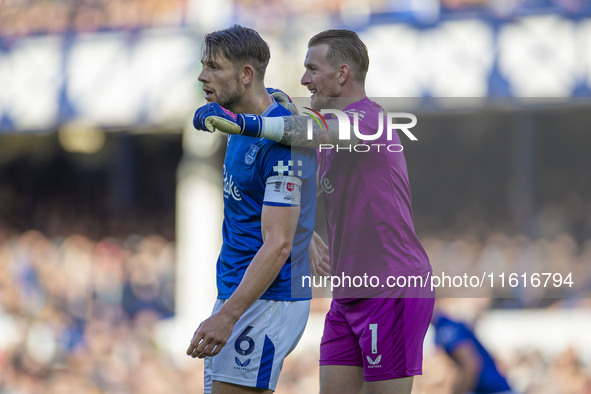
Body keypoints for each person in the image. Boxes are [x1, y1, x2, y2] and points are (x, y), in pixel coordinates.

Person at [194, 29, 434, 394]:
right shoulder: (321, 134)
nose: (305, 79)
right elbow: (300, 138)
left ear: (342, 74)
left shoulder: (371, 120)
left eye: (312, 69)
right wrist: (307, 234)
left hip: (392, 287)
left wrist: (248, 122)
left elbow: (311, 130)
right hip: (348, 291)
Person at [187, 25, 317, 394]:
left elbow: (277, 244)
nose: (202, 75)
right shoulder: (238, 121)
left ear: (246, 75)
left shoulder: (281, 145)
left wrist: (228, 316)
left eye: (213, 67)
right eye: (203, 65)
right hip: (239, 293)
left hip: (265, 301)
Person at [432, 307, 515, 394]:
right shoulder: (446, 325)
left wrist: (460, 391)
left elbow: (471, 365)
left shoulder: (446, 327)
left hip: (492, 390)